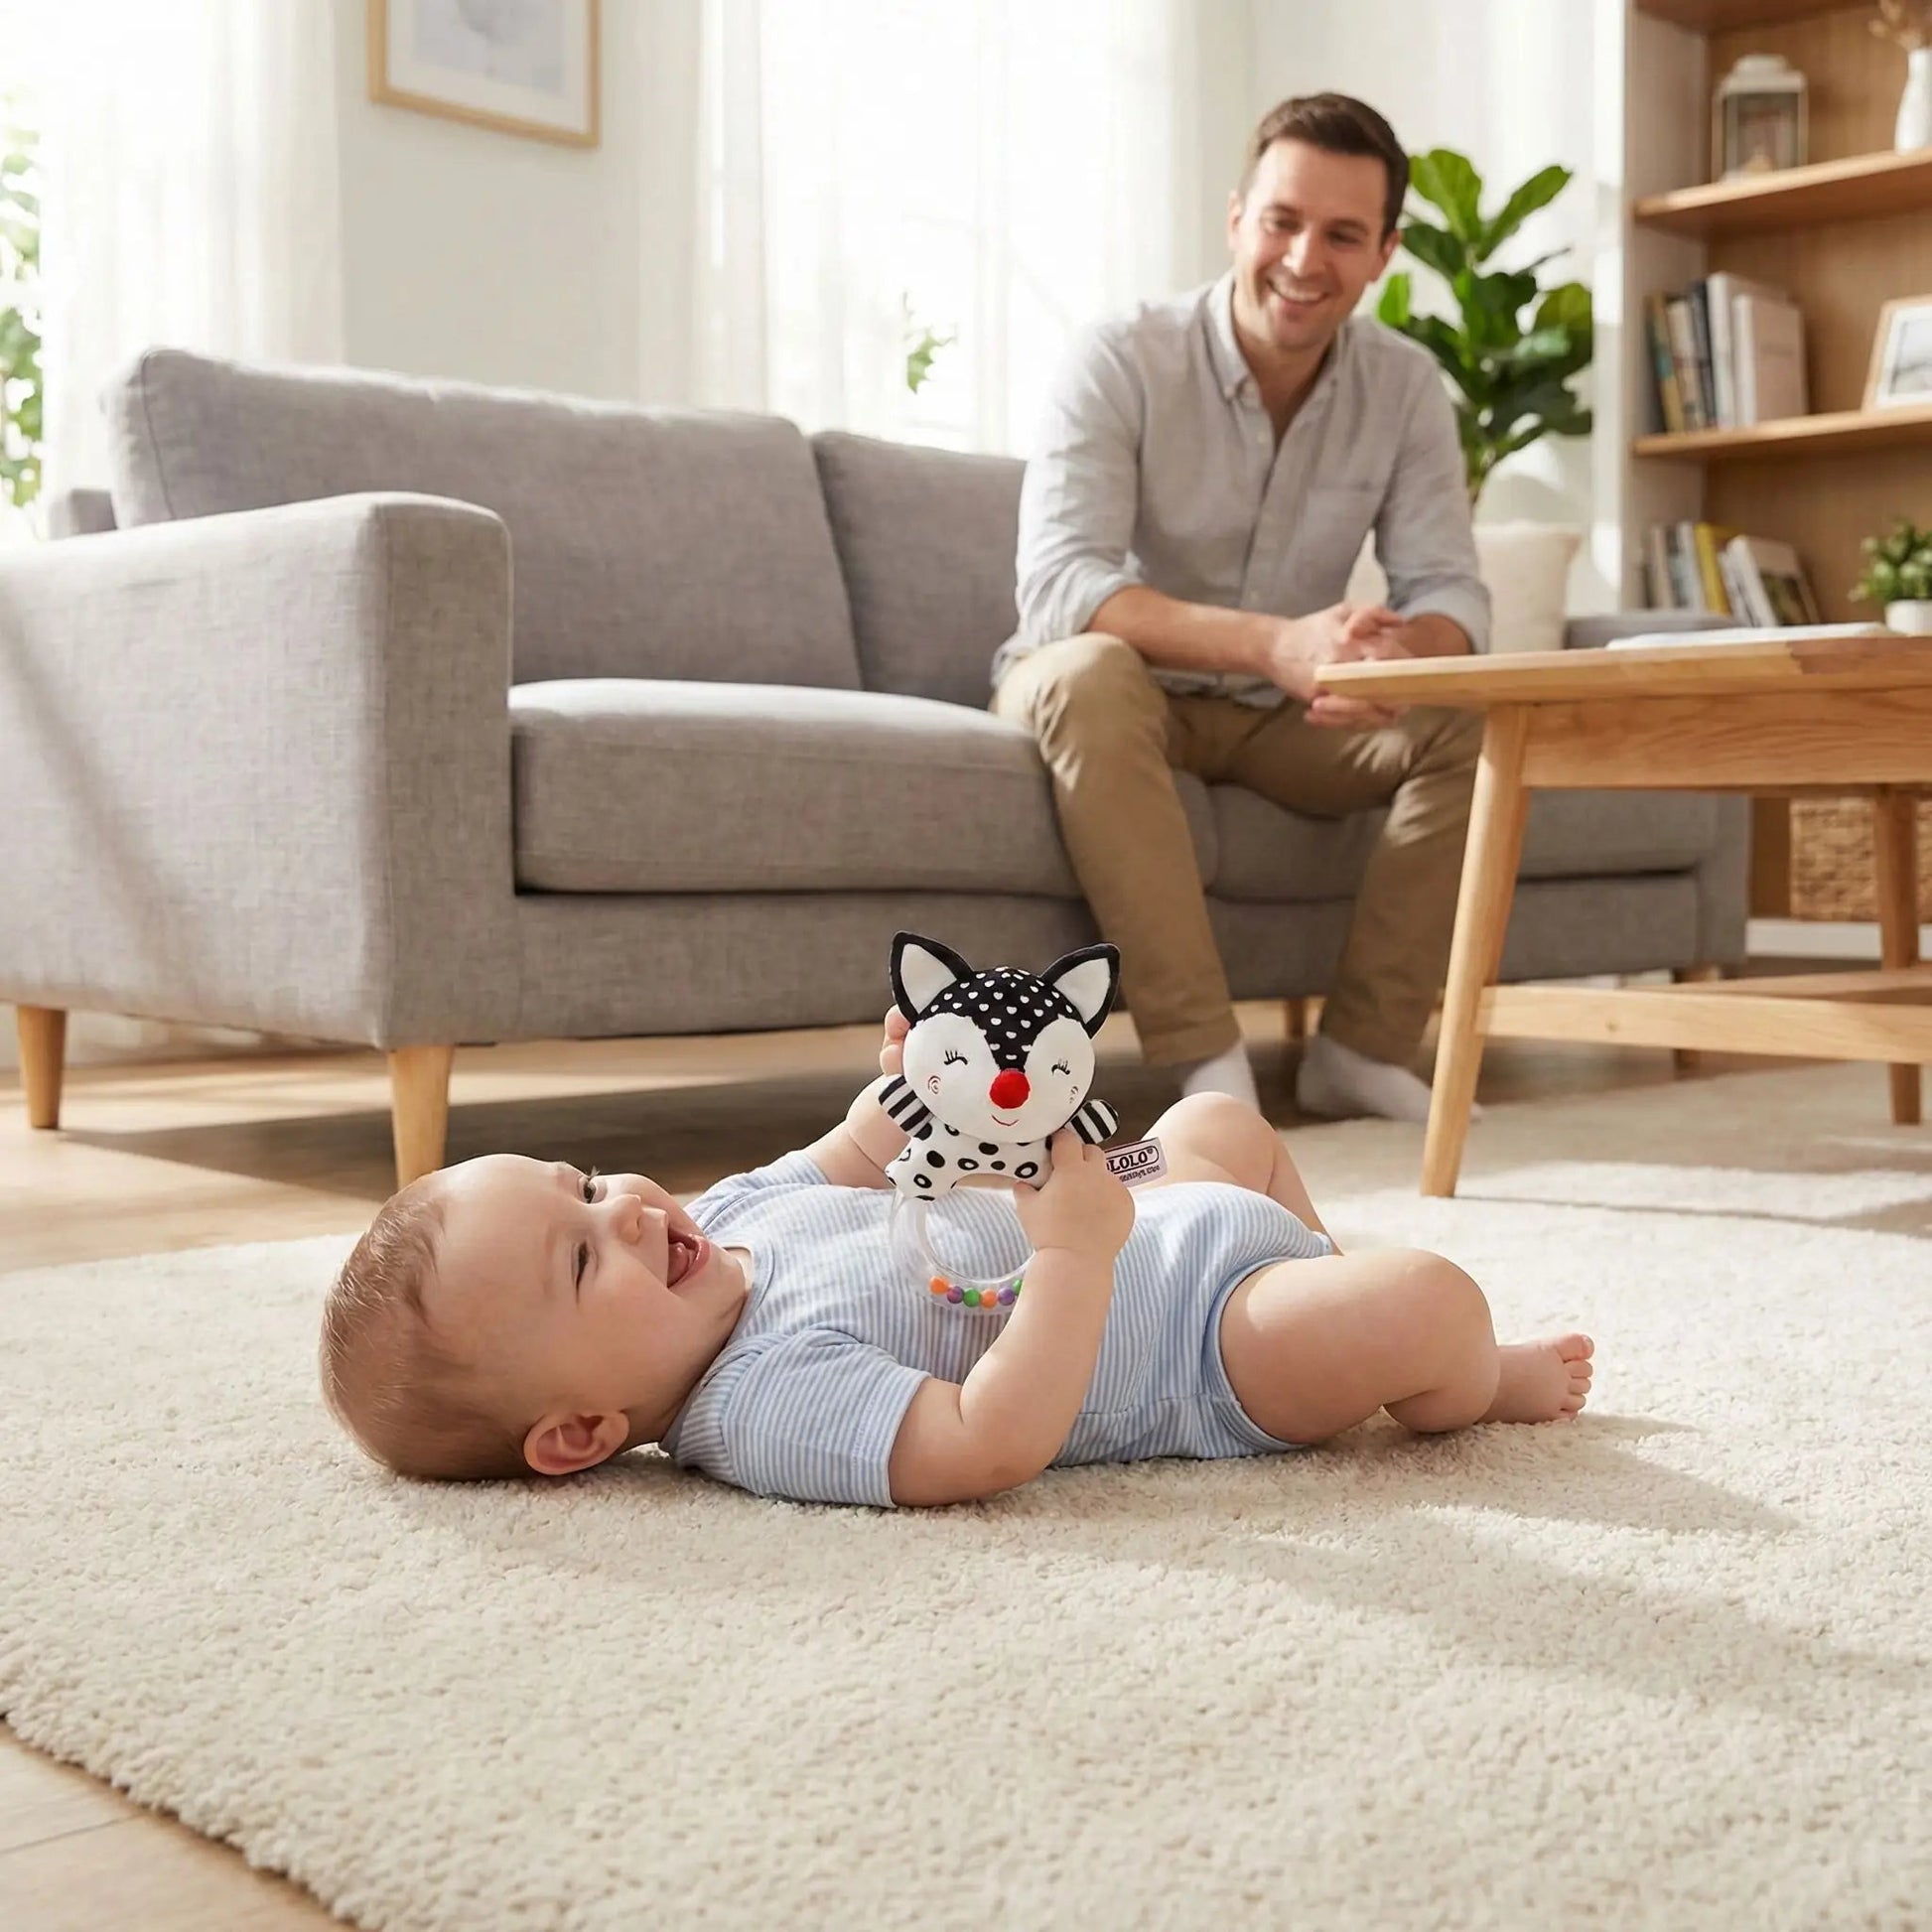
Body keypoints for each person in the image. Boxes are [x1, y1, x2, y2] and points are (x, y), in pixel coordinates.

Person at [320, 1011, 1592, 1504]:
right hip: (1199, 1344)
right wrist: (1075, 1258)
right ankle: (1471, 1377)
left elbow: (856, 1148)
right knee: (1423, 1298)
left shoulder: (733, 1215)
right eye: (582, 1261)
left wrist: (917, 1078)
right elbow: (987, 1442)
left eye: (589, 1185)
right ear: (579, 1430)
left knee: (1223, 1122)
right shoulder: (763, 1401)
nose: (631, 1213)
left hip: (1131, 1212)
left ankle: (1317, 1261)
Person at [992, 92, 1490, 1125]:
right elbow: (1060, 586)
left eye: (1342, 234)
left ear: (1383, 253)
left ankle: (1359, 1051)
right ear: (1235, 220)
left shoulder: (1405, 388)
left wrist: (1391, 652)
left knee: (1467, 715)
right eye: (1281, 221)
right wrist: (1275, 645)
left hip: (1281, 716)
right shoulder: (1118, 355)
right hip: (1116, 694)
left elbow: (1449, 589)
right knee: (1089, 672)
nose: (1304, 259)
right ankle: (1207, 1062)